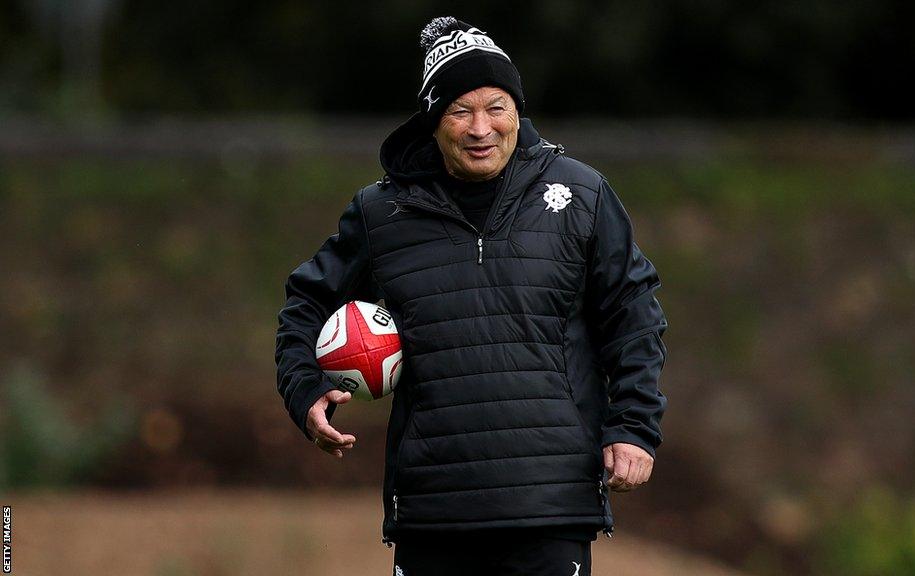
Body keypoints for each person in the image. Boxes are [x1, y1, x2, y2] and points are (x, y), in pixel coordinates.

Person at [275, 16, 668, 576]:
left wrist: (633, 428)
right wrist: (304, 388)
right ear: (434, 123)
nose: (481, 127)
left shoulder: (581, 194)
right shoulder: (381, 213)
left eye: (497, 107)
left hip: (550, 509)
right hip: (434, 511)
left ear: (518, 112)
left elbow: (635, 317)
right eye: (461, 111)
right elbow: (305, 303)